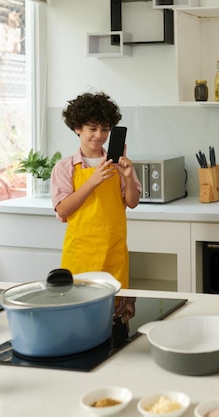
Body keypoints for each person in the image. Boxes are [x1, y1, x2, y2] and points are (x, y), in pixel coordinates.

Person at [51, 92, 141, 301]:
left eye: (105, 129)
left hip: (113, 252)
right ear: (77, 128)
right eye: (92, 128)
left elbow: (132, 202)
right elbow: (63, 210)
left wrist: (127, 177)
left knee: (115, 313)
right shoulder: (65, 168)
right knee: (78, 308)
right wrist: (92, 181)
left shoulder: (118, 164)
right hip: (80, 254)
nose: (99, 135)